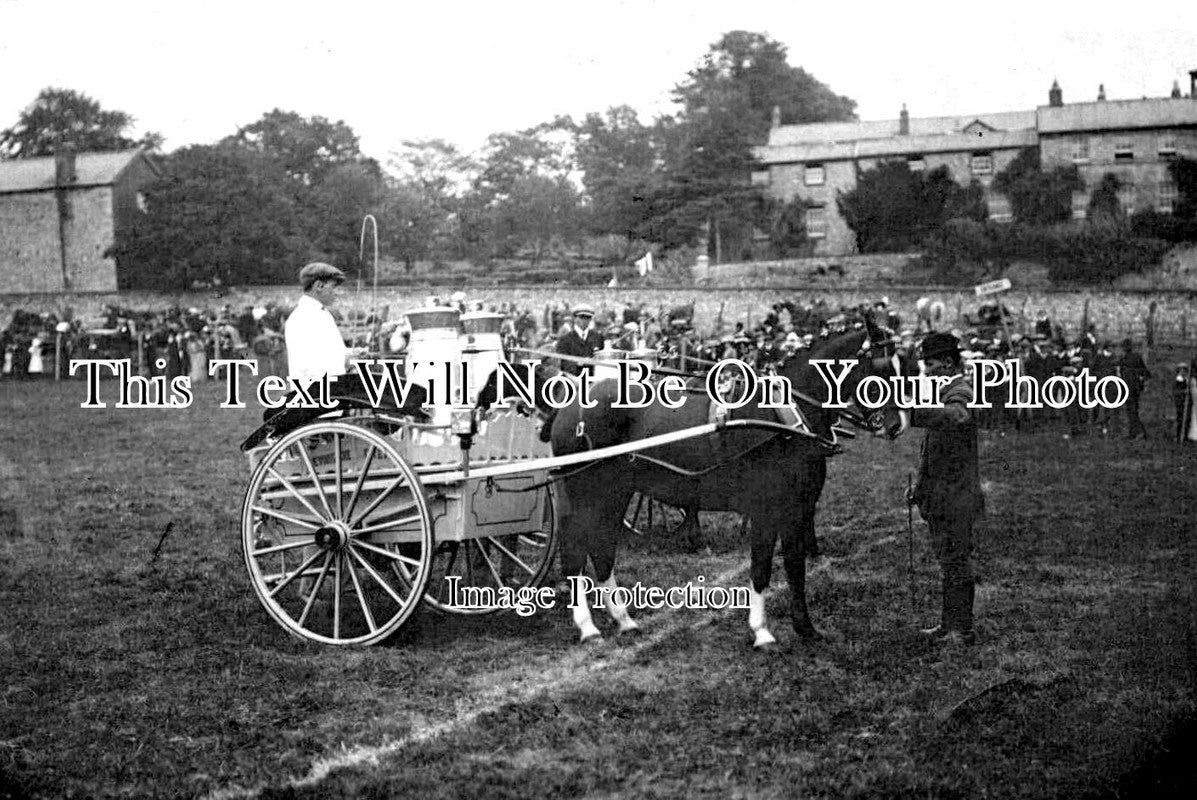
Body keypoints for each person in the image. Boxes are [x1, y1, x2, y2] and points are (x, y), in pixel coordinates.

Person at [905, 332, 984, 645]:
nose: (927, 371)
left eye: (932, 364)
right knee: (948, 561)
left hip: (957, 496)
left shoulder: (960, 390)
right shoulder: (945, 391)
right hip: (942, 494)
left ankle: (962, 630)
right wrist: (920, 489)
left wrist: (910, 414)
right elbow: (933, 452)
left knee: (956, 562)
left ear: (949, 363)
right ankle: (948, 624)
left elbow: (958, 417)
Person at [284, 262, 356, 383]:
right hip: (315, 395)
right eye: (334, 287)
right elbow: (312, 366)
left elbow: (328, 351)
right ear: (319, 286)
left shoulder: (322, 313)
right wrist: (348, 361)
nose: (338, 292)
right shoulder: (303, 318)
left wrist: (352, 353)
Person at [555, 303, 603, 377]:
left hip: (594, 380)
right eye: (581, 317)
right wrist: (578, 363)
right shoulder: (564, 339)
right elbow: (562, 363)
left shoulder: (598, 337)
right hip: (573, 380)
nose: (584, 320)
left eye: (588, 317)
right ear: (574, 318)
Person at [1116, 338, 1151, 440]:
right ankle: (1134, 433)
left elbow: (1146, 373)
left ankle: (1140, 432)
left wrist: (1140, 379)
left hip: (1131, 389)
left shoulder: (1125, 360)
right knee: (1132, 411)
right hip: (1132, 388)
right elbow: (1146, 373)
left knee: (1132, 411)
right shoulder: (1132, 358)